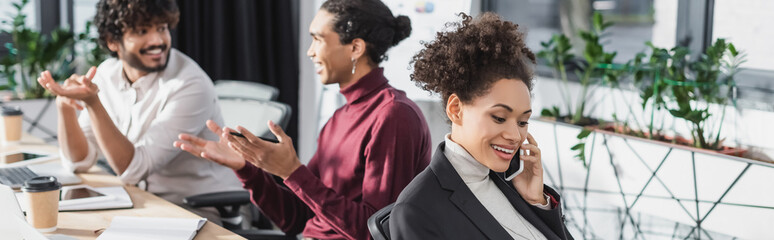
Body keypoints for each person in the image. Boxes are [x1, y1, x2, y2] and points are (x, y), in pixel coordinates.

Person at [174, 0, 432, 239]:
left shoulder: (393, 116)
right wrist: (247, 169)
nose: (310, 52)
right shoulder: (340, 117)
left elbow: (376, 233)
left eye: (318, 39)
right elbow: (295, 218)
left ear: (355, 47)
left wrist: (292, 172)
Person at [36, 0, 242, 215]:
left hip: (198, 209)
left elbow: (134, 170)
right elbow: (79, 162)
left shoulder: (190, 84)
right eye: (142, 31)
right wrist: (65, 107)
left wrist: (93, 104)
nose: (157, 41)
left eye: (162, 28)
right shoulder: (106, 74)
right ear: (112, 41)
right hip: (139, 202)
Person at [389, 13, 573, 240]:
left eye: (523, 122)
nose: (515, 136)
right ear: (456, 109)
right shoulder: (418, 210)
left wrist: (536, 202)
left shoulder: (508, 180)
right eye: (499, 117)